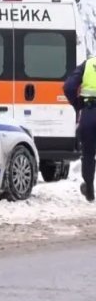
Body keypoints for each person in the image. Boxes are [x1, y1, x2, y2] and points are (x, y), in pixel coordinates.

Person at [64, 57, 96, 201]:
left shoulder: (88, 63)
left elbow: (69, 86)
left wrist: (78, 104)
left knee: (88, 153)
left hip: (89, 111)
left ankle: (89, 187)